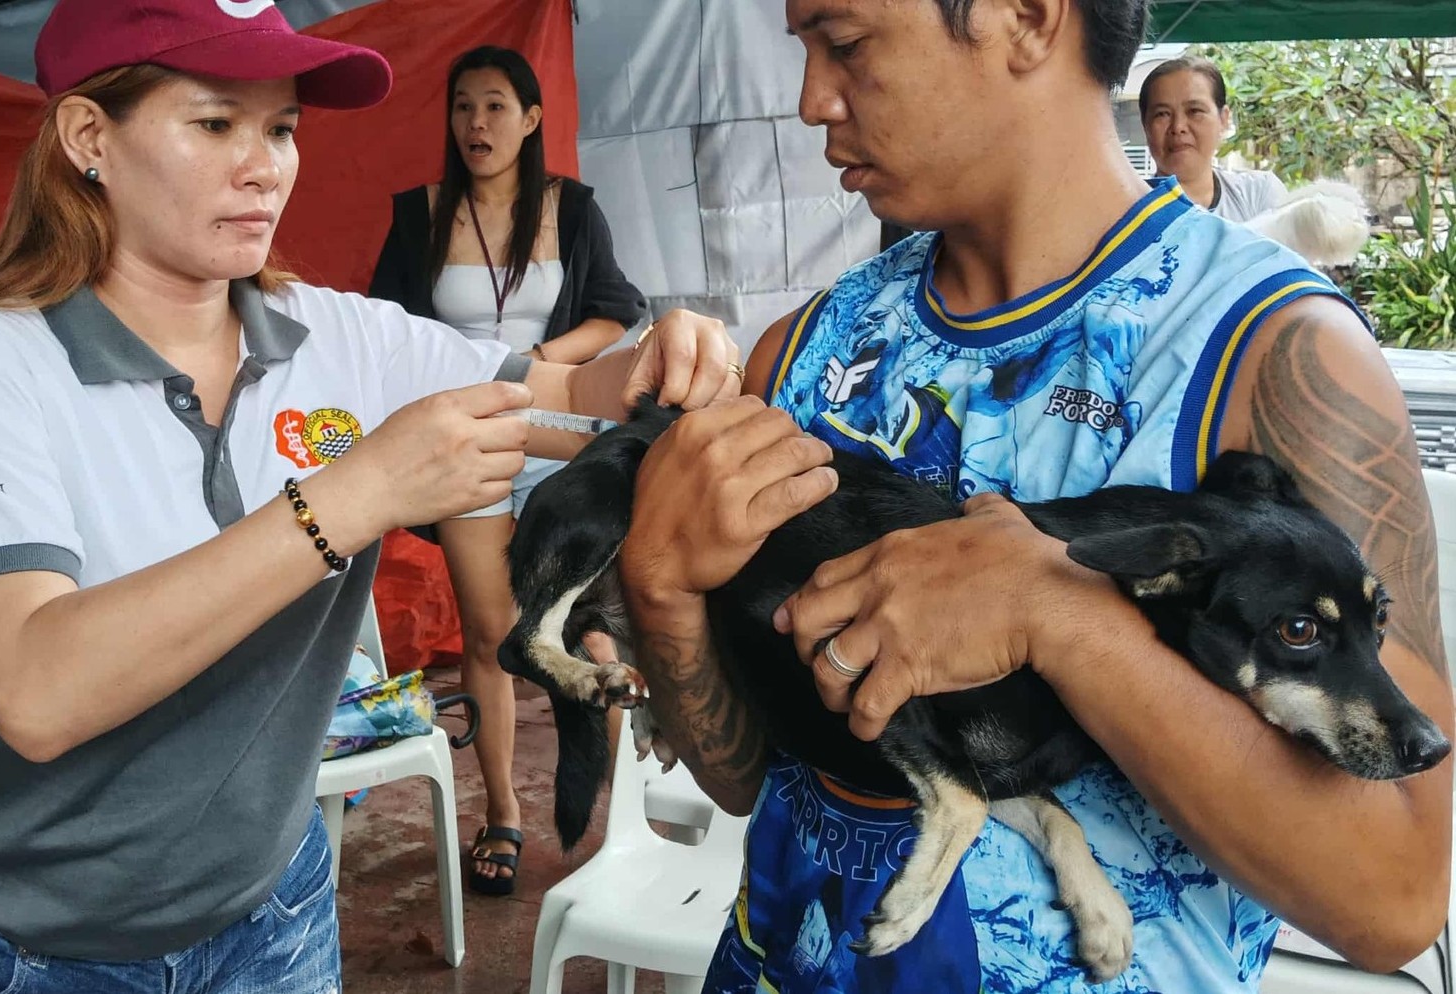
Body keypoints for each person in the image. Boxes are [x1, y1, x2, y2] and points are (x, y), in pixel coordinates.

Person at [0, 1, 741, 991]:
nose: (264, 166)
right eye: (215, 123)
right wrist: (358, 491)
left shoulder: (341, 340)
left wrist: (666, 350)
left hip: (273, 913)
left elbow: (568, 395)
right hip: (28, 946)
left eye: (282, 127)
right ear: (90, 138)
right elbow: (37, 690)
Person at [618, 2, 1454, 992]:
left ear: (1025, 17)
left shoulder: (1267, 352)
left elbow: (1395, 896)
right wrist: (663, 591)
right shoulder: (807, 354)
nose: (810, 101)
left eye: (845, 45)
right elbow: (749, 772)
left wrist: (1060, 613)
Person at [369, 45, 648, 895]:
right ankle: (503, 813)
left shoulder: (571, 209)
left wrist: (528, 360)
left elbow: (617, 310)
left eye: (494, 106)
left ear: (530, 120)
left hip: (558, 430)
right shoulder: (418, 214)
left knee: (596, 615)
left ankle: (612, 806)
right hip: (469, 443)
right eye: (462, 107)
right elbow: (384, 331)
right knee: (492, 636)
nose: (475, 124)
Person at [1141, 55, 1287, 221]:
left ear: (1223, 119)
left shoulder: (1258, 193)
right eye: (1162, 114)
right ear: (1145, 125)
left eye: (1195, 111)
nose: (1178, 127)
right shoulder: (1126, 213)